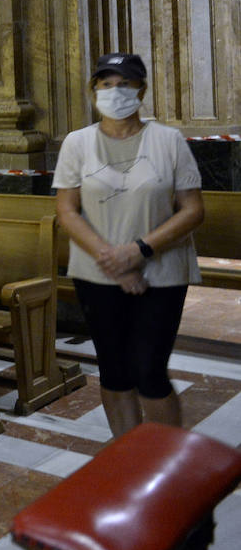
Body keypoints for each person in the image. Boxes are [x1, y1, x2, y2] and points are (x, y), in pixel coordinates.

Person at [53, 52, 204, 437]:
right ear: (94, 91)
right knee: (115, 370)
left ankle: (166, 461)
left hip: (161, 274)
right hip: (96, 273)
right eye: (106, 84)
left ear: (141, 90)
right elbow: (68, 211)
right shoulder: (77, 143)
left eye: (124, 84)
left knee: (150, 371)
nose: (114, 92)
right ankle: (128, 457)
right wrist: (112, 261)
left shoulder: (168, 141)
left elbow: (192, 210)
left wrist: (138, 251)